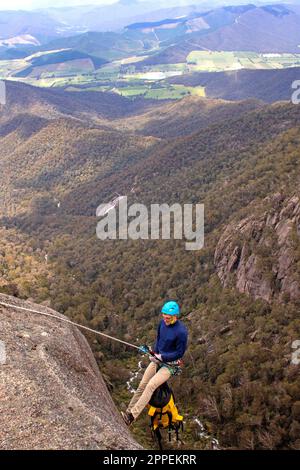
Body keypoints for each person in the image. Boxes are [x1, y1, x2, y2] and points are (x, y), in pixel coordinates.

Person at [121, 301, 188, 426]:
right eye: (164, 316)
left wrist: (162, 357)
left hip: (170, 365)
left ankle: (131, 417)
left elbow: (179, 353)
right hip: (157, 359)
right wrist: (153, 352)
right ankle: (127, 411)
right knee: (142, 385)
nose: (165, 319)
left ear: (175, 316)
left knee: (151, 386)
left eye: (168, 318)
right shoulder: (162, 324)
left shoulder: (181, 332)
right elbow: (159, 339)